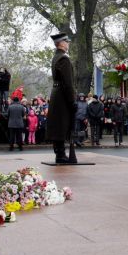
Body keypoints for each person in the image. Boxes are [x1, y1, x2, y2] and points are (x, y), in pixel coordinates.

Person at [45, 33, 76, 163]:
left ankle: (59, 153)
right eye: (66, 41)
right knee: (62, 124)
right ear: (62, 43)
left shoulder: (56, 57)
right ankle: (61, 154)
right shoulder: (64, 59)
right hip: (62, 95)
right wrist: (72, 100)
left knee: (59, 124)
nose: (68, 44)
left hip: (57, 93)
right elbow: (68, 83)